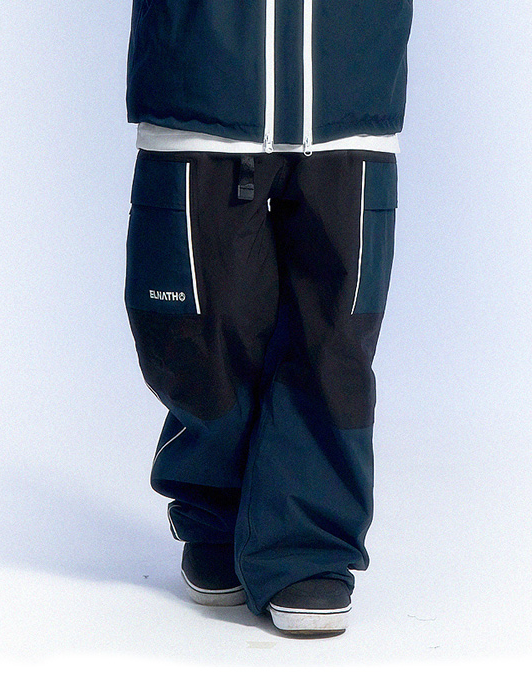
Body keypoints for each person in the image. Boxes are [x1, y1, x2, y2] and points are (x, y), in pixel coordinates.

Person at [124, 1, 413, 636]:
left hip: (349, 80)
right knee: (201, 332)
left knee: (333, 339)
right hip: (202, 75)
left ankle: (309, 543)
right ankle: (216, 514)